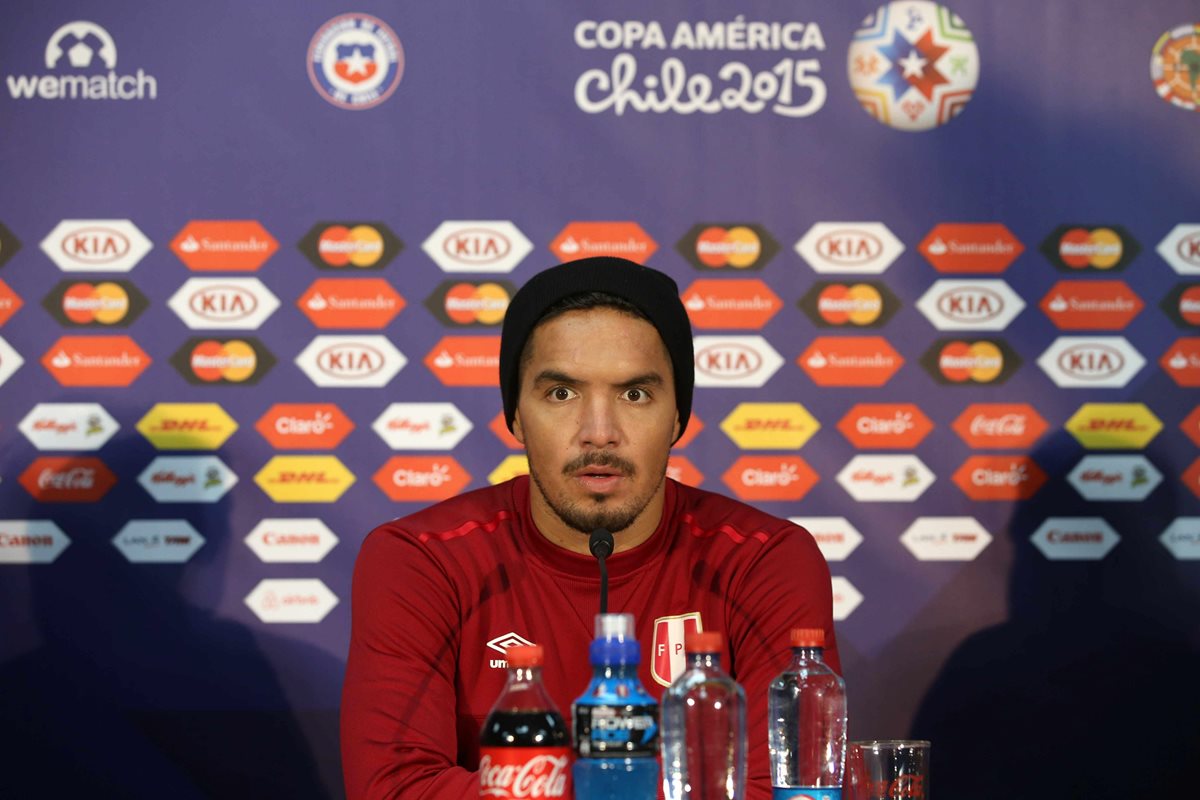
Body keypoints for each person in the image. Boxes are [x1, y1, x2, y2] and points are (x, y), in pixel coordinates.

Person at [340, 256, 839, 799]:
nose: (599, 434)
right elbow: (393, 788)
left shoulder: (764, 560)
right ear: (515, 415)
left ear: (677, 416)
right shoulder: (420, 559)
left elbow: (793, 790)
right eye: (561, 393)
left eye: (634, 395)